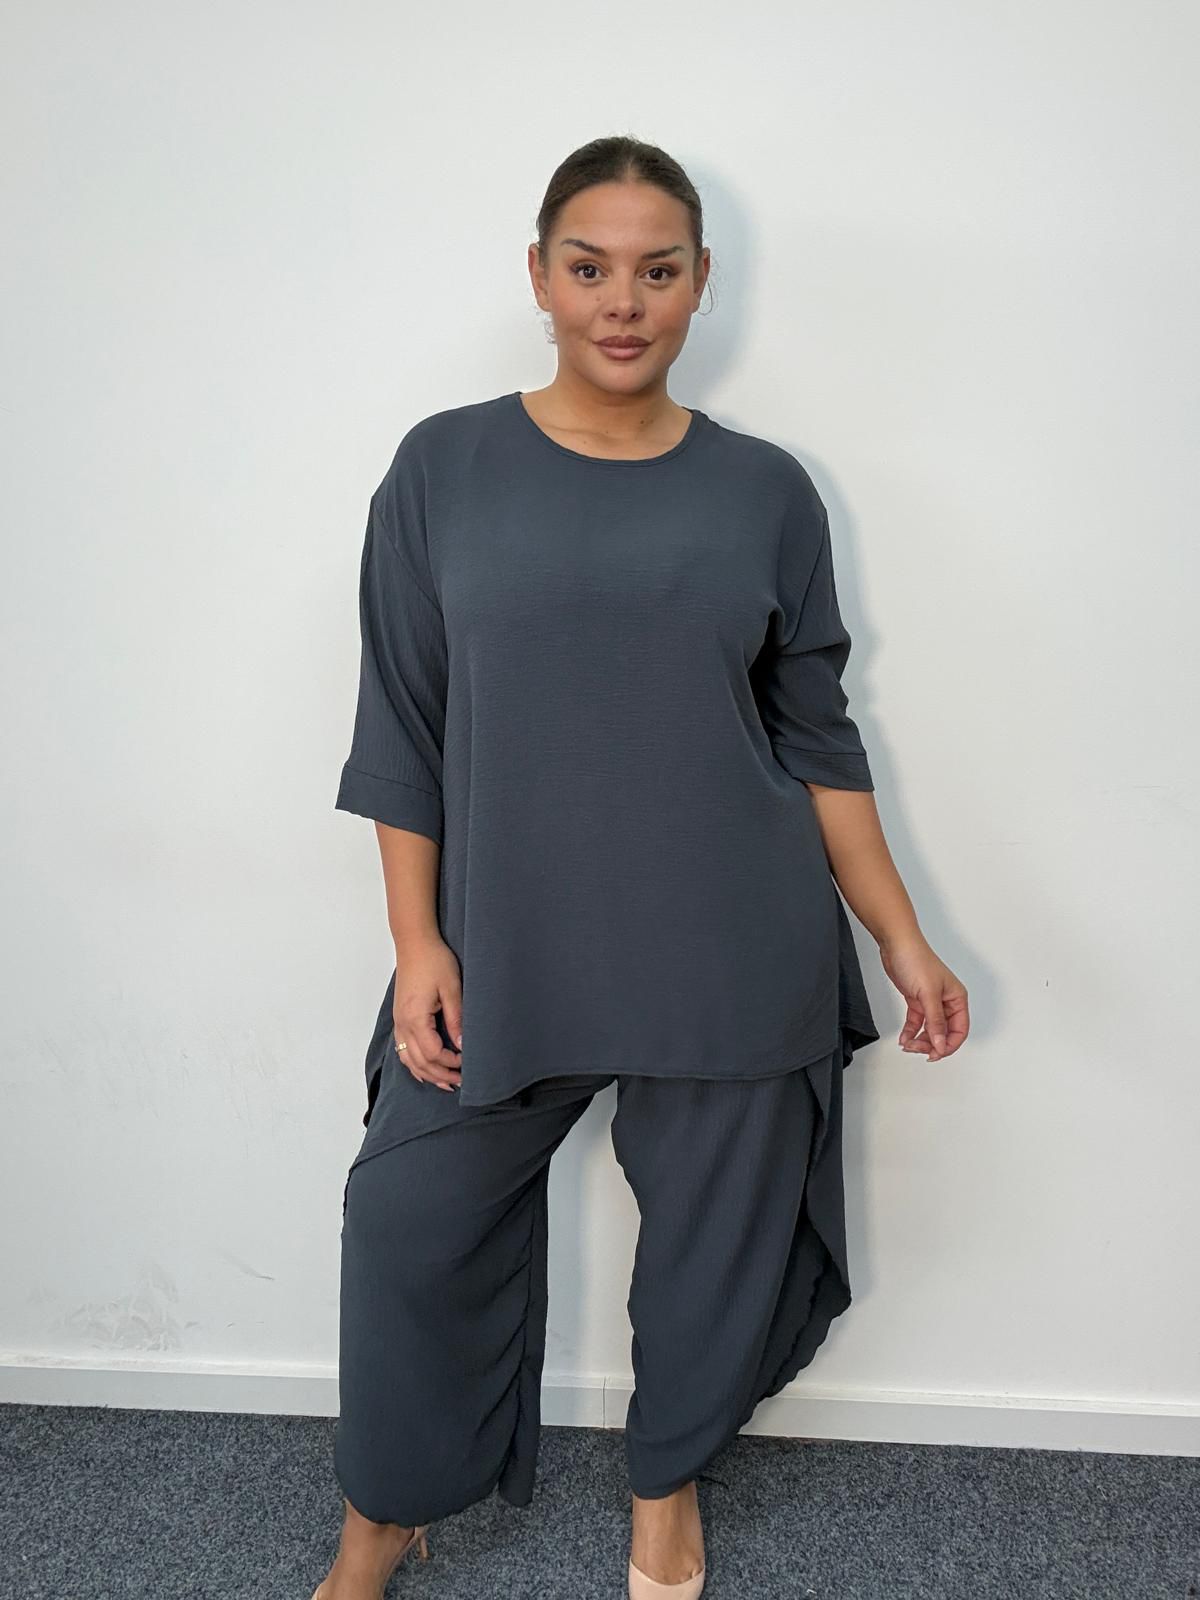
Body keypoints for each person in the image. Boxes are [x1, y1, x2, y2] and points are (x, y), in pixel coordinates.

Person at [314, 135, 969, 1600]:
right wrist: (419, 945)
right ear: (540, 276)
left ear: (701, 284)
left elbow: (817, 737)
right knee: (410, 1218)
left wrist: (902, 937)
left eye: (657, 271)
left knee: (713, 1251)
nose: (623, 302)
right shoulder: (442, 467)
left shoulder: (766, 491)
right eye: (591, 267)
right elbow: (402, 724)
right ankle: (385, 1510)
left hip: (730, 935)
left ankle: (663, 1489)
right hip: (509, 937)